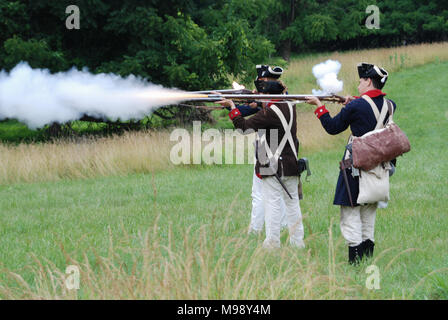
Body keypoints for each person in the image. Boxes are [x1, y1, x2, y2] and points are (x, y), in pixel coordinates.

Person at [306, 62, 396, 264]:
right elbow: (371, 106)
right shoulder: (390, 105)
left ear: (368, 81)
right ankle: (367, 259)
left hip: (355, 166)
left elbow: (332, 127)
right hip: (378, 167)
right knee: (368, 214)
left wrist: (320, 107)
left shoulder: (356, 106)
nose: (358, 85)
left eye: (361, 81)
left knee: (350, 215)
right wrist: (352, 102)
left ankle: (355, 263)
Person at [218, 65, 305, 249]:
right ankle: (298, 243)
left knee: (272, 204)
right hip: (291, 163)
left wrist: (232, 107)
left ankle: (272, 243)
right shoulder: (289, 105)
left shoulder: (269, 112)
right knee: (292, 205)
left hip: (273, 165)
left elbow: (243, 127)